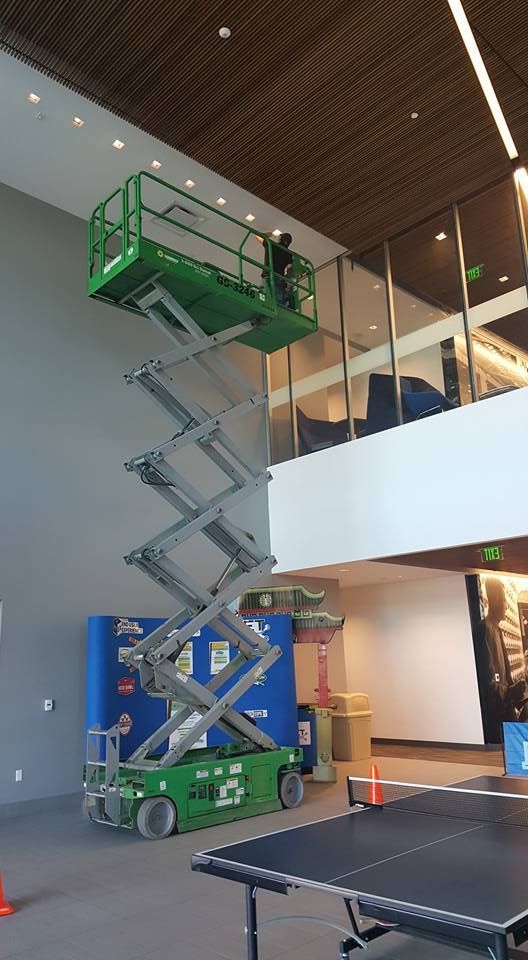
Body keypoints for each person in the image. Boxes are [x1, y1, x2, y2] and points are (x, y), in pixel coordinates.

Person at [482, 577, 528, 741]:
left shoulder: (496, 629)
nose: (506, 606)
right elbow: (489, 680)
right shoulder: (485, 630)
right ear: (493, 601)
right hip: (497, 713)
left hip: (505, 706)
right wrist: (510, 692)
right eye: (503, 600)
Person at [256, 231, 294, 308]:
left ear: (280, 238)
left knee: (265, 296)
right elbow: (289, 268)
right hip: (280, 277)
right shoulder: (289, 254)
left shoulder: (271, 245)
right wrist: (288, 282)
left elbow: (257, 236)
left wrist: (266, 235)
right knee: (279, 302)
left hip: (268, 275)